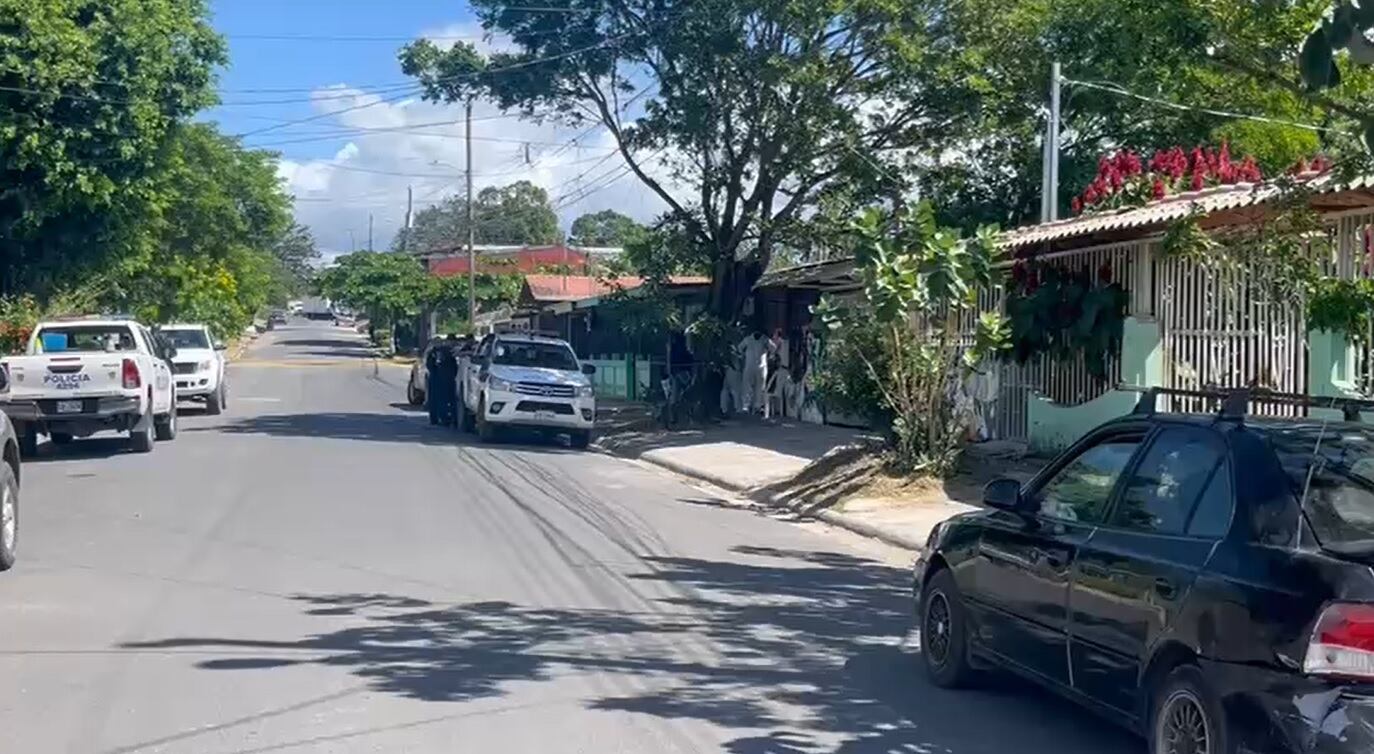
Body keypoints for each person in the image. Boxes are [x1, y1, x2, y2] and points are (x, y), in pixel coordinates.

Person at [425, 335, 460, 426]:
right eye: (437, 342)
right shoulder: (433, 353)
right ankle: (436, 419)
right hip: (436, 379)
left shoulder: (446, 352)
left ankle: (447, 419)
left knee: (446, 400)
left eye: (439, 342)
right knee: (436, 400)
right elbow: (429, 365)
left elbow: (454, 366)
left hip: (445, 379)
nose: (438, 344)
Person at [737, 329, 770, 416]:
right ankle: (746, 406)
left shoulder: (765, 340)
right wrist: (743, 357)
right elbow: (739, 348)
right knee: (747, 386)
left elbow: (773, 349)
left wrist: (768, 355)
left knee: (760, 387)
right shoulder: (748, 339)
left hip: (761, 367)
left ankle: (757, 406)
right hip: (749, 366)